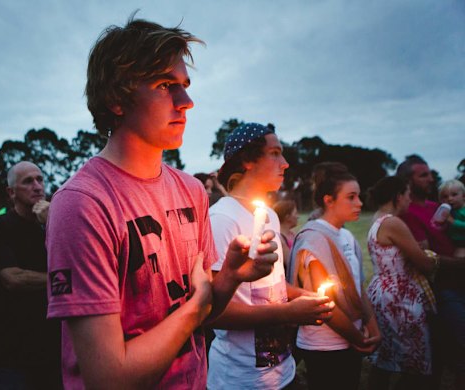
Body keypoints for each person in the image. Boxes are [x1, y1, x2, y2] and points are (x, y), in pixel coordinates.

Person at [45, 16, 278, 390]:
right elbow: (109, 378)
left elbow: (204, 311)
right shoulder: (83, 205)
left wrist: (232, 275)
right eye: (166, 85)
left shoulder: (191, 191)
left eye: (185, 85)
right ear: (115, 99)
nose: (187, 102)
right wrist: (195, 309)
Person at [206, 123, 333, 389]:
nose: (285, 163)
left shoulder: (270, 216)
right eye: (274, 153)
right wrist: (289, 313)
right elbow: (215, 313)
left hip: (283, 371)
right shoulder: (222, 219)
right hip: (241, 380)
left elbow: (269, 287)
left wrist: (305, 297)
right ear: (247, 160)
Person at [287, 162, 381, 390]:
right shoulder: (314, 238)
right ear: (329, 200)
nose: (359, 203)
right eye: (351, 197)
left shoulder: (346, 236)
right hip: (325, 345)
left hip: (353, 337)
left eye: (359, 196)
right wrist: (358, 339)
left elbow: (358, 287)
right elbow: (325, 303)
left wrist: (373, 329)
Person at [0, 161, 61, 389]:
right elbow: (13, 279)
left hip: (54, 346)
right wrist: (65, 280)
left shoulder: (52, 226)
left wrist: (53, 223)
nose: (37, 186)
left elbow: (79, 259)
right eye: (28, 181)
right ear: (11, 192)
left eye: (40, 179)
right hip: (13, 350)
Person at [396, 155, 465, 389]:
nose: (431, 178)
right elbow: (427, 259)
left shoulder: (438, 207)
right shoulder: (409, 213)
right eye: (423, 175)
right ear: (408, 181)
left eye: (429, 173)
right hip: (443, 289)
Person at [366, 176, 439, 389]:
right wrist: (433, 257)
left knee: (385, 360)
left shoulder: (377, 219)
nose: (409, 200)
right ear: (398, 196)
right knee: (415, 363)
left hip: (382, 291)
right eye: (407, 195)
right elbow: (423, 263)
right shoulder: (393, 222)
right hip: (400, 298)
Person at [439, 179, 465, 258]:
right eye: (445, 197)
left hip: (462, 243)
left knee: (458, 258)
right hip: (452, 242)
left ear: (464, 196)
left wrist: (453, 221)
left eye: (454, 195)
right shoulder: (449, 211)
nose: (450, 199)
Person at [273, 199, 299, 270]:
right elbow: (290, 263)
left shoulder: (292, 234)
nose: (298, 216)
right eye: (295, 213)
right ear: (287, 217)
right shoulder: (280, 239)